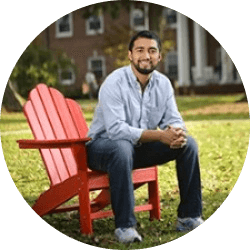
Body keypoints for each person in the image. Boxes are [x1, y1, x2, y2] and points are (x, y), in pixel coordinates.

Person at [87, 30, 203, 243]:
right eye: (140, 50)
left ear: (159, 56)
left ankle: (188, 216)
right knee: (121, 147)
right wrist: (160, 136)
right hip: (102, 148)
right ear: (130, 55)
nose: (146, 56)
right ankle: (125, 227)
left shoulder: (163, 84)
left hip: (137, 148)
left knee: (189, 145)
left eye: (152, 51)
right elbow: (116, 131)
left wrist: (177, 133)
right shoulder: (114, 83)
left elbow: (174, 118)